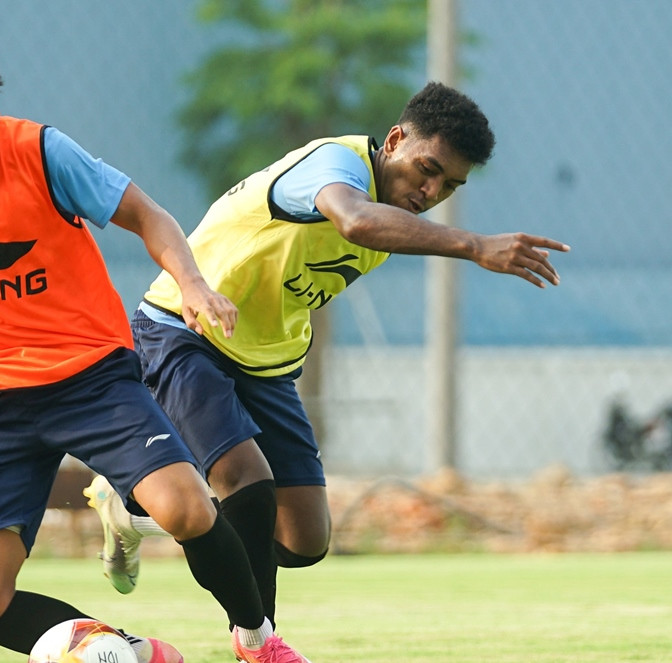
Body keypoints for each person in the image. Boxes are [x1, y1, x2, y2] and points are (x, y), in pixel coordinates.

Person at [0, 24, 313, 663]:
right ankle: (122, 649)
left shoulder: (42, 151)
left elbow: (146, 214)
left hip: (91, 380)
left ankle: (256, 640)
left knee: (187, 509)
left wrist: (190, 282)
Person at [85, 81, 570, 629]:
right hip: (186, 326)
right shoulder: (333, 166)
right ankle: (258, 641)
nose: (431, 191)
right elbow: (354, 220)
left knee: (303, 538)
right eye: (427, 169)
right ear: (394, 140)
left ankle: (136, 506)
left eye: (449, 185)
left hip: (265, 359)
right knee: (247, 481)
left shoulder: (394, 211)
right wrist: (476, 245)